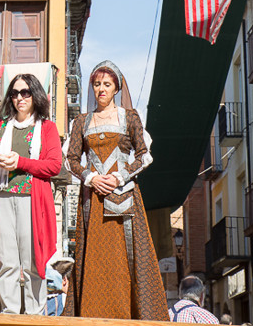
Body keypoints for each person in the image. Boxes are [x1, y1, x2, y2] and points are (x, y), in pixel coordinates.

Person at [64, 60, 167, 320]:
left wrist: (119, 177)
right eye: (97, 84)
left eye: (106, 84)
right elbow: (71, 159)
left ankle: (132, 316)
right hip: (93, 202)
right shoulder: (81, 122)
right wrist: (91, 178)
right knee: (95, 261)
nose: (101, 89)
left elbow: (144, 156)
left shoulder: (130, 118)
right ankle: (92, 316)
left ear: (116, 88)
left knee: (126, 259)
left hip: (125, 201)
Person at [0, 72, 63, 314]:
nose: (20, 98)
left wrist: (20, 162)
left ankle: (36, 316)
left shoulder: (47, 128)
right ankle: (11, 314)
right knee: (7, 263)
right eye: (14, 93)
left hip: (32, 200)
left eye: (25, 92)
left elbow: (54, 165)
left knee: (34, 261)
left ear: (35, 95)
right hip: (1, 198)